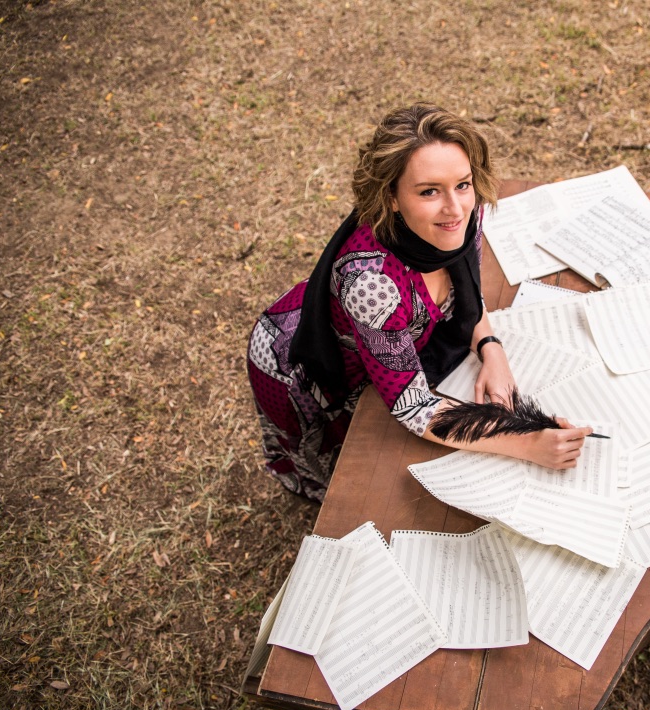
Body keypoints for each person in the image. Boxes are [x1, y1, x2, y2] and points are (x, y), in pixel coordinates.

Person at [247, 103, 591, 501]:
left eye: (463, 184)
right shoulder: (372, 286)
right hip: (297, 368)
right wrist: (527, 443)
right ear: (391, 197)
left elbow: (468, 290)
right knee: (343, 468)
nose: (455, 207)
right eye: (429, 191)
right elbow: (413, 408)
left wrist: (491, 349)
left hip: (374, 340)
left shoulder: (462, 217)